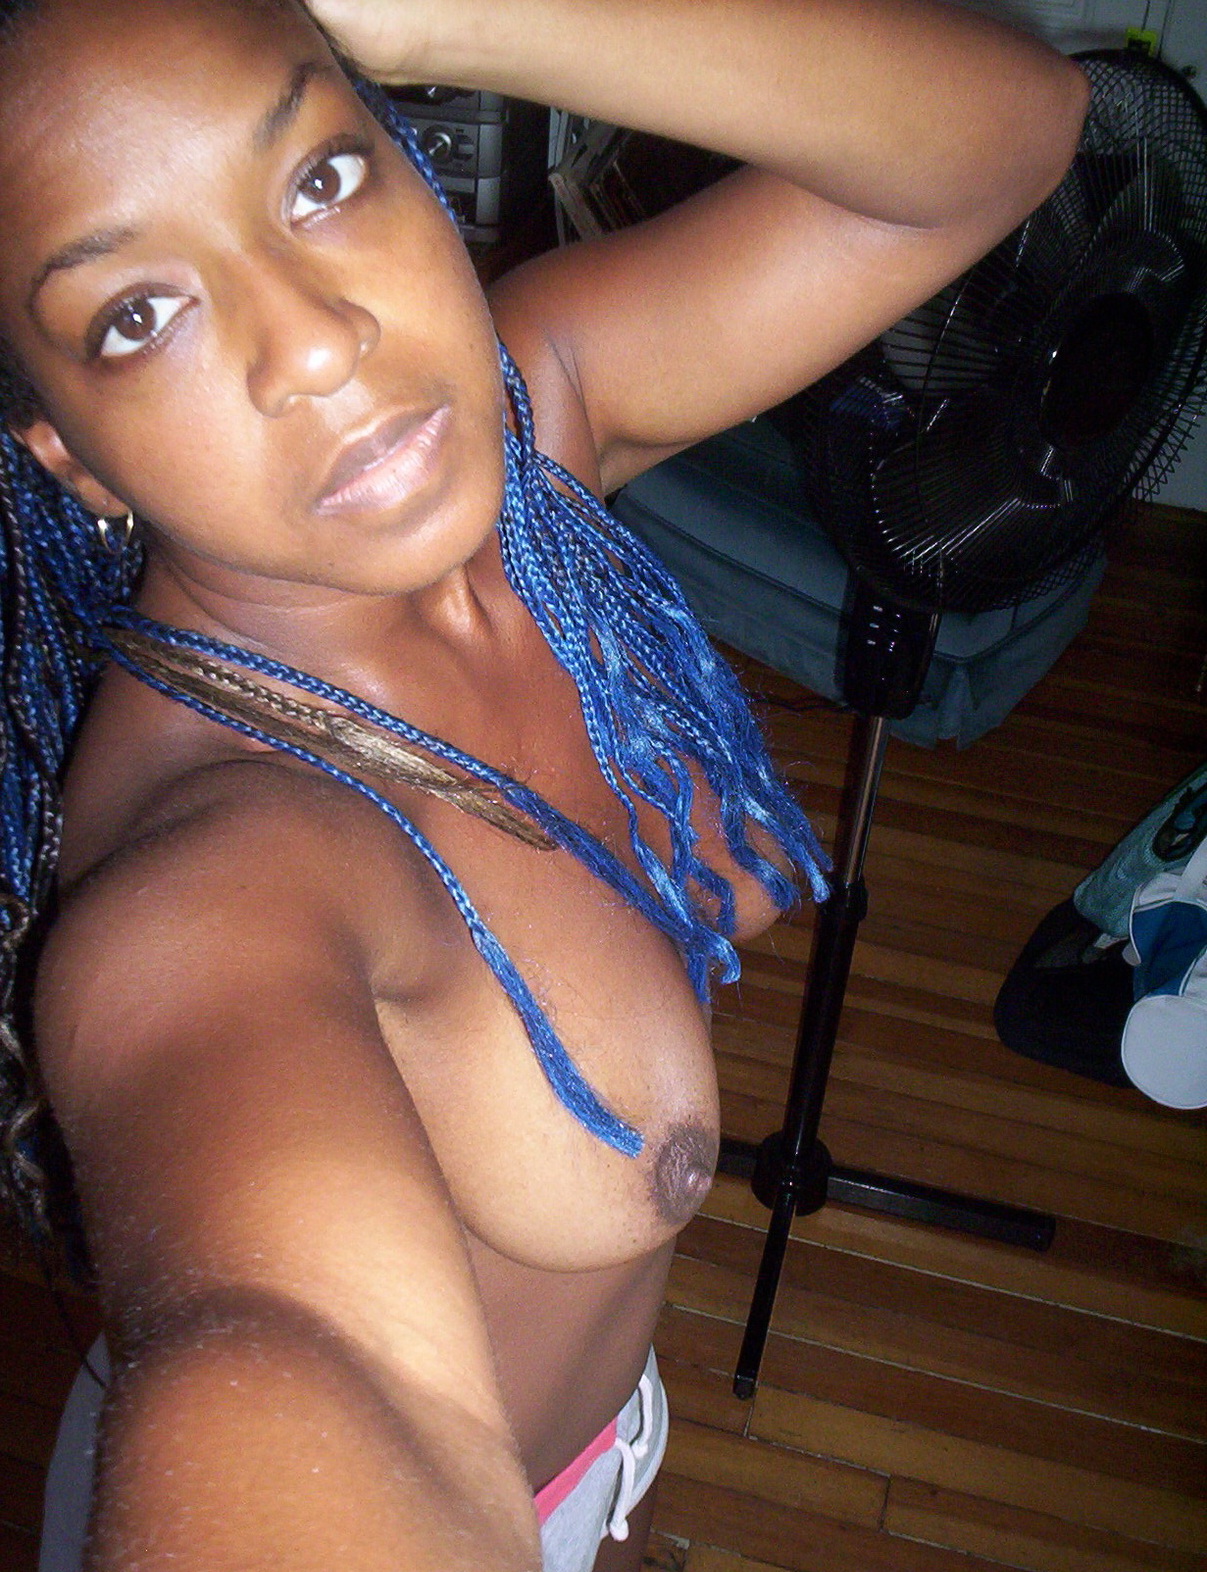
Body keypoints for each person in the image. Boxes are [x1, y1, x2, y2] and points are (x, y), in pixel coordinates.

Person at [0, 1, 1088, 1567]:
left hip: (596, 1462)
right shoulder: (213, 882)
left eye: (320, 178)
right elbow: (302, 1365)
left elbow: (1012, 138)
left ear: (411, 155)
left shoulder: (532, 422)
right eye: (136, 316)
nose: (316, 342)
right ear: (73, 456)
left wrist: (458, 9)